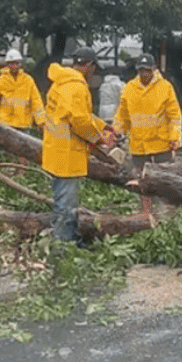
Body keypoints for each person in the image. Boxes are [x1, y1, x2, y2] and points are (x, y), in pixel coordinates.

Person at [42, 47, 117, 245]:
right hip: (67, 153)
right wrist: (100, 139)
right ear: (89, 66)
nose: (94, 73)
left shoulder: (62, 82)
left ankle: (64, 238)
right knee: (66, 204)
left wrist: (103, 126)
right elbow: (80, 122)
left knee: (62, 200)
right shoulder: (76, 86)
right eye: (94, 68)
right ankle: (63, 244)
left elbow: (82, 115)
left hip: (56, 149)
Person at [113, 54, 182, 214]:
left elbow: (174, 116)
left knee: (165, 182)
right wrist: (117, 131)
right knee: (141, 183)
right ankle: (145, 215)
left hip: (161, 144)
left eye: (147, 70)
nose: (144, 74)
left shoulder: (165, 87)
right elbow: (122, 115)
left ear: (154, 70)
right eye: (141, 70)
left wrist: (174, 137)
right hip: (139, 146)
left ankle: (167, 214)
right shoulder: (129, 88)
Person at [0, 49, 45, 131]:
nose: (15, 66)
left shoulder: (28, 80)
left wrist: (41, 121)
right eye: (12, 63)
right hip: (6, 123)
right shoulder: (0, 81)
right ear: (7, 64)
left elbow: (36, 102)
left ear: (20, 64)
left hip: (23, 123)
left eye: (17, 63)